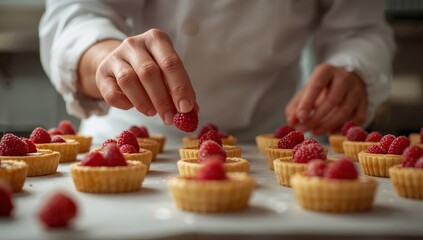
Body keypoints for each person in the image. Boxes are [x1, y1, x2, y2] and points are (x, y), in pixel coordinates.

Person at [39, 0, 395, 145]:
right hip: (130, 135)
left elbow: (360, 29)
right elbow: (77, 11)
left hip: (269, 140)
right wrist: (105, 57)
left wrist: (355, 69)